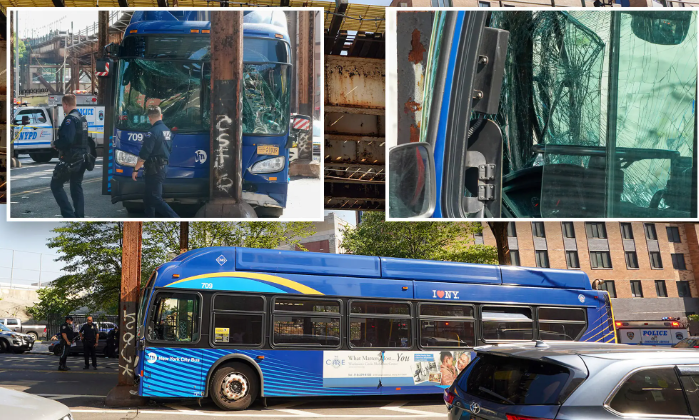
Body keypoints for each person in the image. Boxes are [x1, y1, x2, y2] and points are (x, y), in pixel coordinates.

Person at [131, 106, 178, 218]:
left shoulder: (152, 133)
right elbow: (169, 149)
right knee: (148, 199)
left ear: (149, 118)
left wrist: (136, 169)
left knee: (155, 198)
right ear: (160, 116)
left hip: (154, 169)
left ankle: (176, 218)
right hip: (162, 167)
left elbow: (144, 155)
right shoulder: (167, 130)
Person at [51, 94, 88, 218]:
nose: (63, 108)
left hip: (70, 158)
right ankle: (79, 216)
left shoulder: (70, 119)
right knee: (76, 186)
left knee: (55, 185)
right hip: (82, 158)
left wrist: (56, 144)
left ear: (65, 104)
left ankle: (69, 215)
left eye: (63, 105)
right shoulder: (82, 118)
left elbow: (68, 140)